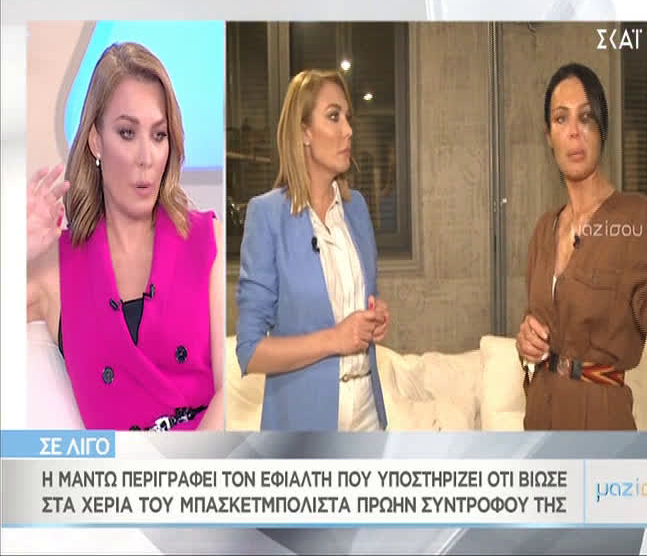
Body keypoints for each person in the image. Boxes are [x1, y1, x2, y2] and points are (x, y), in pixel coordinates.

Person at [26, 42, 224, 431]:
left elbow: (230, 392)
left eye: (159, 135)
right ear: (96, 141)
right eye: (127, 133)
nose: (146, 158)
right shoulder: (55, 269)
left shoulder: (207, 240)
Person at [515, 62, 647, 430]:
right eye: (561, 119)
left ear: (602, 128)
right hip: (538, 425)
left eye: (586, 117)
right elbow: (540, 321)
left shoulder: (637, 217)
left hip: (600, 430)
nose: (574, 132)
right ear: (548, 136)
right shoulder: (544, 230)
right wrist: (526, 344)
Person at [236, 69, 391, 431]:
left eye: (348, 118)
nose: (348, 130)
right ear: (304, 131)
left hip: (368, 414)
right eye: (334, 116)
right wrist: (335, 339)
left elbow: (359, 304)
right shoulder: (267, 215)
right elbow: (250, 351)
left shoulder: (357, 209)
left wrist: (374, 316)